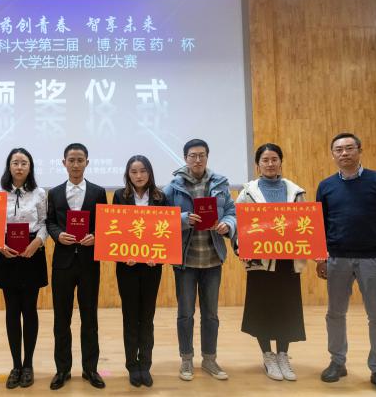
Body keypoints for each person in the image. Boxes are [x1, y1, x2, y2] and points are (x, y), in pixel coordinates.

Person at [316, 133, 376, 396]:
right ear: (333, 154)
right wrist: (321, 257)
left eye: (349, 148)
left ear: (359, 150)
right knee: (335, 313)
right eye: (339, 149)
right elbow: (319, 226)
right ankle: (337, 362)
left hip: (373, 257)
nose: (344, 153)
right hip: (337, 259)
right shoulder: (326, 186)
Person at [163, 138, 236, 382]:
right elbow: (160, 218)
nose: (197, 160)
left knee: (211, 315)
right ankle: (186, 359)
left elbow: (231, 211)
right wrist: (183, 219)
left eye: (201, 155)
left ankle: (209, 359)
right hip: (185, 262)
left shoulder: (220, 183)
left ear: (207, 157)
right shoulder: (173, 186)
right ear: (185, 158)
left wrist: (228, 225)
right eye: (192, 155)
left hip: (212, 259)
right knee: (185, 314)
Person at [235, 143, 306, 381]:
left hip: (288, 260)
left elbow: (306, 224)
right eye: (265, 160)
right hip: (260, 261)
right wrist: (242, 247)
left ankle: (283, 355)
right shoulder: (247, 192)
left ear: (280, 162)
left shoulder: (296, 191)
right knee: (262, 307)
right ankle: (267, 355)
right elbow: (239, 225)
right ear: (258, 165)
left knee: (287, 307)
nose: (270, 164)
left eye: (274, 159)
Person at [46, 143, 108, 390]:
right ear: (64, 163)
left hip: (88, 263)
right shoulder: (54, 193)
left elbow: (105, 224)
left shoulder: (98, 192)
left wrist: (96, 236)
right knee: (61, 319)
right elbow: (50, 222)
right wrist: (58, 235)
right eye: (71, 160)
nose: (75, 164)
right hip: (62, 263)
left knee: (89, 317)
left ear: (87, 163)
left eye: (80, 160)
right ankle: (62, 369)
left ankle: (90, 369)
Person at [0, 148, 48, 389]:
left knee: (30, 310)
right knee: (12, 311)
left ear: (30, 167)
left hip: (31, 252)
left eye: (24, 163)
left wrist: (38, 242)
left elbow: (44, 223)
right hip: (7, 253)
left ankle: (28, 364)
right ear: (9, 166)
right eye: (15, 163)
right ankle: (16, 365)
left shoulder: (39, 193)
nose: (19, 167)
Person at [112, 155, 166, 387]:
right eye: (134, 172)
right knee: (130, 316)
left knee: (147, 316)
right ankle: (132, 365)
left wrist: (158, 255)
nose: (139, 175)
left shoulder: (160, 197)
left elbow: (165, 231)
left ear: (150, 173)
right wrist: (124, 254)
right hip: (128, 267)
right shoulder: (119, 196)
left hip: (152, 267)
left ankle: (145, 364)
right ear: (128, 175)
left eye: (143, 171)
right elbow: (115, 228)